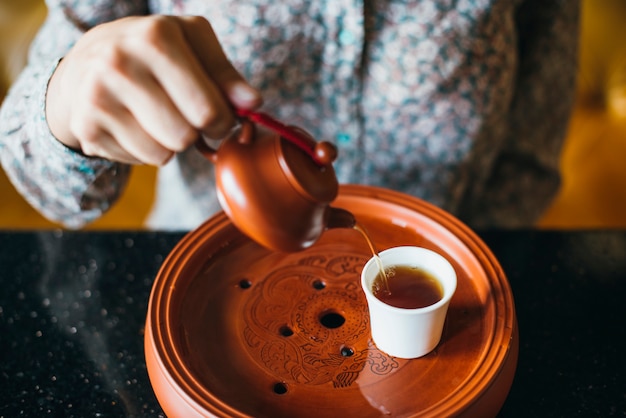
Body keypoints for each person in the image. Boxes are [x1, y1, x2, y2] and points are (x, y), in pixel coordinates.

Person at [0, 0, 579, 231]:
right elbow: (52, 188)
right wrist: (65, 103)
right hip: (201, 275)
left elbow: (529, 159)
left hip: (433, 286)